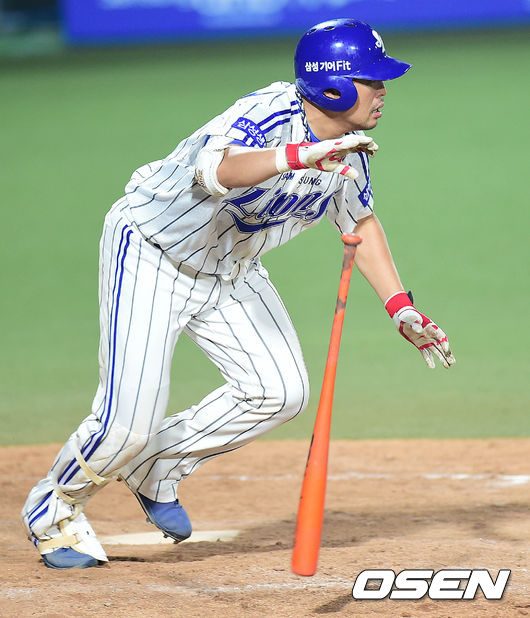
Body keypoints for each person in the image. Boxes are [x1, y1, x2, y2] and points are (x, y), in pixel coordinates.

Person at [22, 18, 455, 570]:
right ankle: (53, 508)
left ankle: (157, 464)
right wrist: (298, 156)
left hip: (231, 268)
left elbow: (360, 221)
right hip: (152, 253)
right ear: (332, 86)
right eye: (372, 80)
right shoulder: (265, 114)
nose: (383, 90)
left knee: (280, 392)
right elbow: (219, 171)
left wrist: (400, 307)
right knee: (126, 425)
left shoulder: (351, 150)